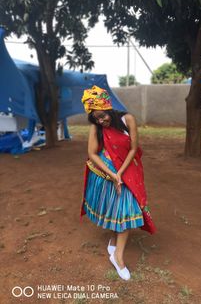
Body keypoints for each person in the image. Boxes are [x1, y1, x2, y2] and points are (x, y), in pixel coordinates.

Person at [80, 85, 156, 280]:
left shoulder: (127, 119)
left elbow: (133, 149)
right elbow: (91, 153)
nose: (101, 120)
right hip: (107, 172)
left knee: (126, 210)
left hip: (128, 170)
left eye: (102, 116)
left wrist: (120, 173)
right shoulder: (96, 127)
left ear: (108, 108)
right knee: (118, 209)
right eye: (96, 118)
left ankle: (116, 254)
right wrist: (111, 175)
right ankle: (117, 253)